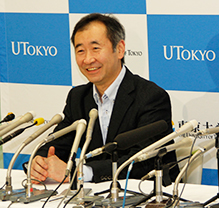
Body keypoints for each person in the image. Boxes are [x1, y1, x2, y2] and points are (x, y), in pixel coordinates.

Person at [28, 13, 179, 183]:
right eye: (80, 51)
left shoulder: (151, 97)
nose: (88, 59)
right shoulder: (78, 97)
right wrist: (40, 162)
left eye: (95, 48)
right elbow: (57, 146)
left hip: (148, 195)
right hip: (96, 197)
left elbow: (142, 162)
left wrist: (82, 173)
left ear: (120, 49)